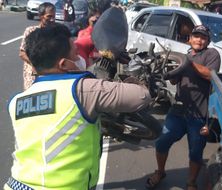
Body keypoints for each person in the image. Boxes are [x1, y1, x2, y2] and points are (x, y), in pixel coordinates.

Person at [4, 24, 151, 190]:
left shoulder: (16, 102)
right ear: (64, 64)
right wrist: (137, 78)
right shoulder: (83, 89)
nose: (79, 58)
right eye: (75, 54)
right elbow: (141, 96)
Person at [145, 25, 221, 190]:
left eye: (203, 37)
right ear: (190, 39)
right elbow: (174, 80)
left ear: (208, 41)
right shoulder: (184, 56)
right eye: (196, 36)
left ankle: (191, 183)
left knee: (195, 152)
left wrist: (188, 64)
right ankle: (160, 172)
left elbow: (210, 75)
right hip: (178, 111)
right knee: (162, 143)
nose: (199, 40)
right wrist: (167, 70)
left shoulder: (211, 54)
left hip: (199, 114)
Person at [19, 2, 56, 90]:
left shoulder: (56, 33)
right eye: (49, 16)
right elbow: (22, 53)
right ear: (40, 16)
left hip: (49, 76)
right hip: (32, 76)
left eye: (53, 16)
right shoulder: (31, 31)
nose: (52, 19)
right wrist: (35, 64)